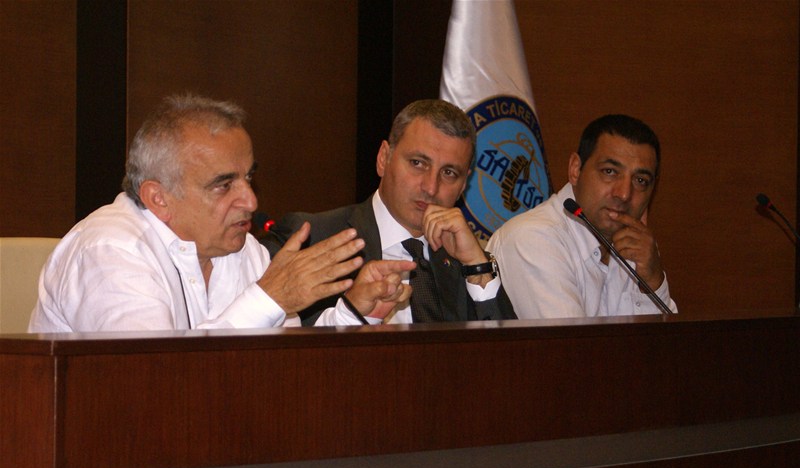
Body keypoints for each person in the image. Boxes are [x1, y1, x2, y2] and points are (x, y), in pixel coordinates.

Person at [29, 94, 413, 332]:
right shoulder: (111, 251)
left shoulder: (242, 249)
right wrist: (268, 298)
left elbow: (288, 361)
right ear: (159, 199)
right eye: (223, 185)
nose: (250, 200)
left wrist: (353, 314)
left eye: (249, 178)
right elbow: (153, 380)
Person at [262, 99, 516, 324]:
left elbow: (509, 355)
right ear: (384, 158)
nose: (431, 187)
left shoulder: (466, 260)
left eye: (449, 173)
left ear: (463, 185)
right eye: (418, 163)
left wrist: (477, 266)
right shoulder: (312, 238)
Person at [487, 114, 677, 319]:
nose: (624, 194)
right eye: (610, 171)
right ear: (575, 170)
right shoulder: (532, 239)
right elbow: (570, 340)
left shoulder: (638, 248)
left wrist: (652, 282)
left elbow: (669, 339)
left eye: (640, 180)